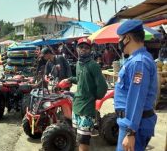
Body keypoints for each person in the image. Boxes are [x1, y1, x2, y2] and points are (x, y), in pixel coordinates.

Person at [114, 20, 157, 151]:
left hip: (134, 126)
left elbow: (137, 98)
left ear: (127, 38)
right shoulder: (135, 59)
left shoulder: (139, 62)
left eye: (120, 39)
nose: (119, 42)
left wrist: (130, 132)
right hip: (131, 123)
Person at [64, 38, 108, 151]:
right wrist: (70, 79)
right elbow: (80, 79)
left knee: (84, 139)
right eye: (81, 47)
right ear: (77, 49)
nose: (84, 49)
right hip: (77, 105)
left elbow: (103, 87)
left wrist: (94, 97)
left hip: (87, 108)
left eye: (87, 48)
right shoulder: (79, 63)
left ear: (90, 50)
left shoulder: (93, 65)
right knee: (78, 136)